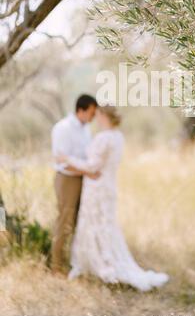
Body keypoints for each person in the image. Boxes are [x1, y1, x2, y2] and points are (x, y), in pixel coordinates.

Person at [57, 105, 169, 292]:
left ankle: (101, 265)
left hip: (97, 188)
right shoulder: (118, 137)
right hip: (108, 186)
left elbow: (93, 167)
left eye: (98, 115)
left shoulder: (104, 137)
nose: (96, 118)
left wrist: (67, 160)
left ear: (103, 116)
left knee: (94, 224)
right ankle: (100, 263)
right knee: (105, 225)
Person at [51, 94, 97, 274]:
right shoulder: (63, 128)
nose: (93, 117)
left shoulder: (86, 129)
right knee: (65, 221)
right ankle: (56, 266)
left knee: (79, 221)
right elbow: (62, 160)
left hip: (83, 179)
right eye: (92, 113)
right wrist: (88, 171)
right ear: (81, 110)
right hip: (67, 179)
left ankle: (73, 264)